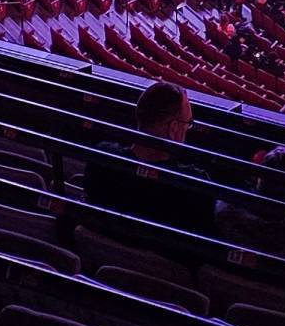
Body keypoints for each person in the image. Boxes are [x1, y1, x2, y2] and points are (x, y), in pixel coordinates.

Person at [83, 82, 215, 236]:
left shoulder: (102, 157)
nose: (188, 129)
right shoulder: (194, 184)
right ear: (173, 129)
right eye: (188, 123)